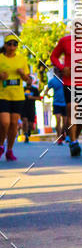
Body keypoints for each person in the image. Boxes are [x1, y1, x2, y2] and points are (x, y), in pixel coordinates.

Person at [50, 32, 82, 157]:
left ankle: (75, 139)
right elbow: (53, 57)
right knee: (72, 110)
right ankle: (73, 142)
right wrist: (62, 68)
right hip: (69, 82)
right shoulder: (65, 41)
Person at [0, 33, 32, 161]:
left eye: (15, 44)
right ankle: (1, 145)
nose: (12, 47)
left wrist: (23, 74)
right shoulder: (0, 58)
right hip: (3, 94)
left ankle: (9, 150)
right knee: (4, 122)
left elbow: (28, 79)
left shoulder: (22, 59)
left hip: (17, 96)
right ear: (5, 45)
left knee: (13, 124)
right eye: (9, 44)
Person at [45, 68, 67, 143]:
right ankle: (59, 137)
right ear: (55, 72)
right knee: (58, 120)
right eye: (58, 71)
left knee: (65, 122)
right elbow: (46, 91)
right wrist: (47, 95)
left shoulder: (66, 79)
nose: (59, 72)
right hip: (56, 103)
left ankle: (63, 133)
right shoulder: (53, 81)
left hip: (65, 103)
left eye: (60, 71)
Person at [21, 77, 41, 142]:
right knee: (25, 121)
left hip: (31, 108)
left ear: (32, 81)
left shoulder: (34, 89)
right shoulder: (22, 89)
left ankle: (28, 131)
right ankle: (26, 135)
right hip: (23, 108)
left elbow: (39, 98)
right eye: (27, 80)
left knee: (31, 124)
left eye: (29, 80)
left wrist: (31, 97)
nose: (28, 81)